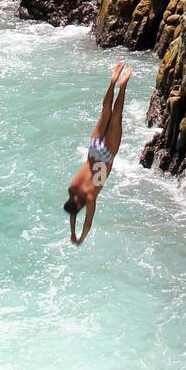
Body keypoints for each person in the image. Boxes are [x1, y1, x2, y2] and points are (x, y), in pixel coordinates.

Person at [65, 62, 131, 244]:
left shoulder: (90, 197)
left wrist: (79, 237)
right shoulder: (71, 190)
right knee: (105, 112)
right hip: (94, 151)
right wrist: (71, 231)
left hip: (105, 157)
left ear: (79, 205)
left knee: (117, 117)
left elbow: (87, 222)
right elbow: (73, 212)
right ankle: (112, 82)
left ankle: (123, 86)